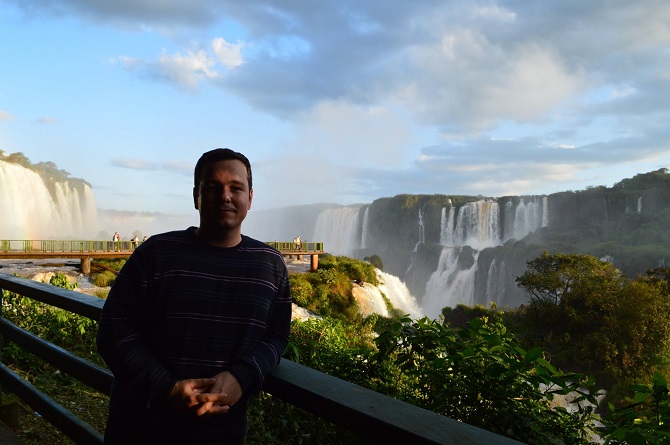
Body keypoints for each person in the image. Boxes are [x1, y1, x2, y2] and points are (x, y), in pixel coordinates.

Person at [97, 148, 292, 444]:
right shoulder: (155, 254)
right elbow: (113, 330)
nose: (225, 196)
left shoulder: (270, 265)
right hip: (140, 427)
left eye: (235, 188)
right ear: (196, 196)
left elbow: (277, 335)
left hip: (222, 432)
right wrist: (166, 388)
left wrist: (243, 376)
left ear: (250, 197)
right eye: (212, 188)